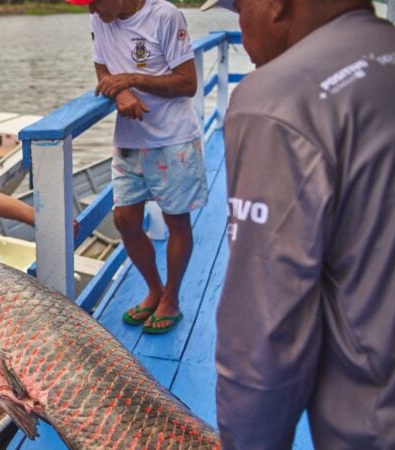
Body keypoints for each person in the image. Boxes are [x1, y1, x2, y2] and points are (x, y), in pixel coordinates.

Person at [200, 0, 395, 448]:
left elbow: (264, 333)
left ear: (274, 5)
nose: (242, 30)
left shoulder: (277, 99)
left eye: (239, 10)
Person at [67, 0, 207, 333]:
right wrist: (120, 92)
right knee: (125, 220)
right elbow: (102, 68)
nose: (91, 11)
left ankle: (170, 298)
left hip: (172, 139)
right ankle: (154, 290)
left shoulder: (164, 16)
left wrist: (132, 79)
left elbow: (188, 83)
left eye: (94, 2)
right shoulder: (101, 19)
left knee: (176, 221)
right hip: (129, 139)